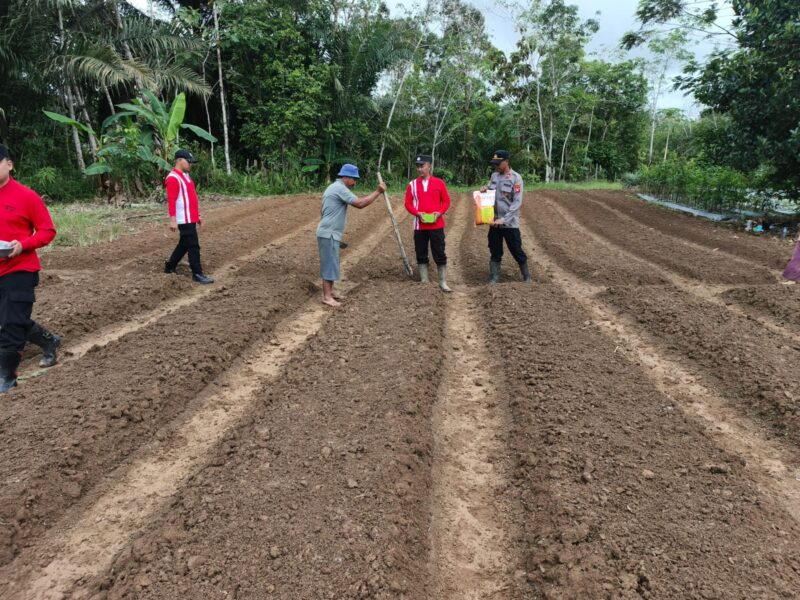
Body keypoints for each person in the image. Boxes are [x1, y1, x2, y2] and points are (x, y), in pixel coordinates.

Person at [0, 143, 61, 392]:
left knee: (10, 325)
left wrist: (23, 244)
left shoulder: (26, 196)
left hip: (20, 269)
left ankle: (7, 377)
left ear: (9, 164)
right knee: (10, 318)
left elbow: (47, 231)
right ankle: (49, 341)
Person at [316, 164, 386, 307]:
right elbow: (360, 203)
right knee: (329, 264)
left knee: (333, 262)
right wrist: (377, 192)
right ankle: (327, 297)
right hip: (329, 233)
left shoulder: (333, 187)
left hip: (329, 232)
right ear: (346, 177)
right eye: (354, 179)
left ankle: (331, 292)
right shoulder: (340, 188)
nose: (355, 182)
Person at [480, 150, 532, 284]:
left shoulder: (516, 178)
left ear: (507, 162)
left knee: (516, 250)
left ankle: (527, 277)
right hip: (494, 222)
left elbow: (517, 202)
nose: (495, 166)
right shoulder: (494, 176)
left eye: (498, 163)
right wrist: (485, 190)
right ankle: (494, 277)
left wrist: (504, 220)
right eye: (494, 164)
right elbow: (490, 193)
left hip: (510, 224)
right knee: (495, 251)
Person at [404, 154, 452, 292]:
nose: (419, 169)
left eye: (422, 166)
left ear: (429, 166)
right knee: (421, 252)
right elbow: (408, 203)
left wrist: (439, 212)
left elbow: (446, 201)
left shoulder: (439, 183)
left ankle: (442, 281)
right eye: (418, 166)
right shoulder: (412, 184)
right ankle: (424, 281)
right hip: (420, 226)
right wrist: (417, 213)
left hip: (437, 225)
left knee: (439, 252)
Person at [164, 149, 213, 284]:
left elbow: (191, 198)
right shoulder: (173, 178)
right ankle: (197, 273)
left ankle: (170, 266)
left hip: (190, 217)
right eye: (189, 162)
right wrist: (173, 220)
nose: (191, 164)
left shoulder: (186, 176)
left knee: (184, 244)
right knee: (193, 246)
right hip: (183, 218)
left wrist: (197, 215)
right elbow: (172, 200)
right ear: (180, 160)